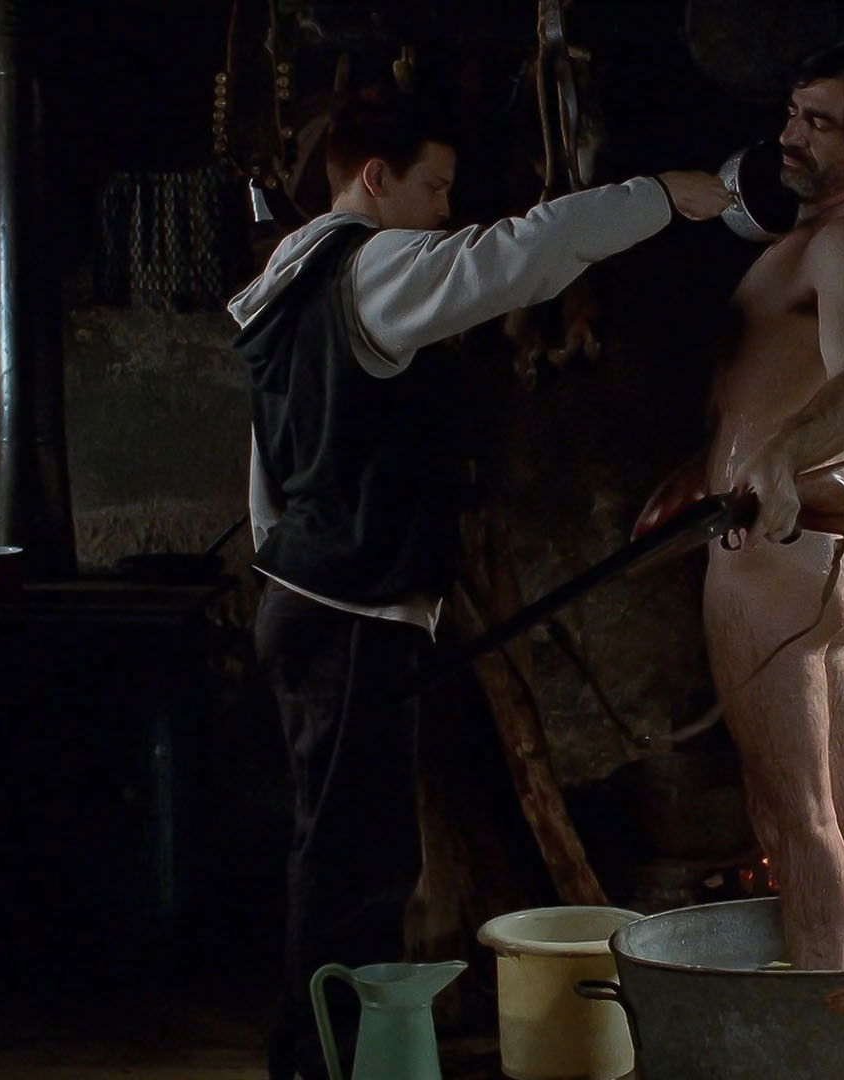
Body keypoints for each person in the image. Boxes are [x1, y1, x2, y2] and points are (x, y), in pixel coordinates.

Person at [226, 94, 728, 1080]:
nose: (445, 211)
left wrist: (289, 558)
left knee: (347, 848)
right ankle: (325, 1061)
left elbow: (267, 462)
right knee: (355, 860)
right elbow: (521, 253)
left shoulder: (289, 273)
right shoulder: (371, 264)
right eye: (434, 186)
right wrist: (662, 195)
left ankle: (333, 1053)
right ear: (374, 178)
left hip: (311, 597)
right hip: (348, 609)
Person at [641, 39, 844, 970]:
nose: (791, 137)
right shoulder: (823, 234)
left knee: (793, 813)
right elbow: (779, 382)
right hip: (821, 541)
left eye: (820, 123)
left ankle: (828, 1025)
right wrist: (706, 465)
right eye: (793, 114)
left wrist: (777, 462)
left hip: (786, 544)